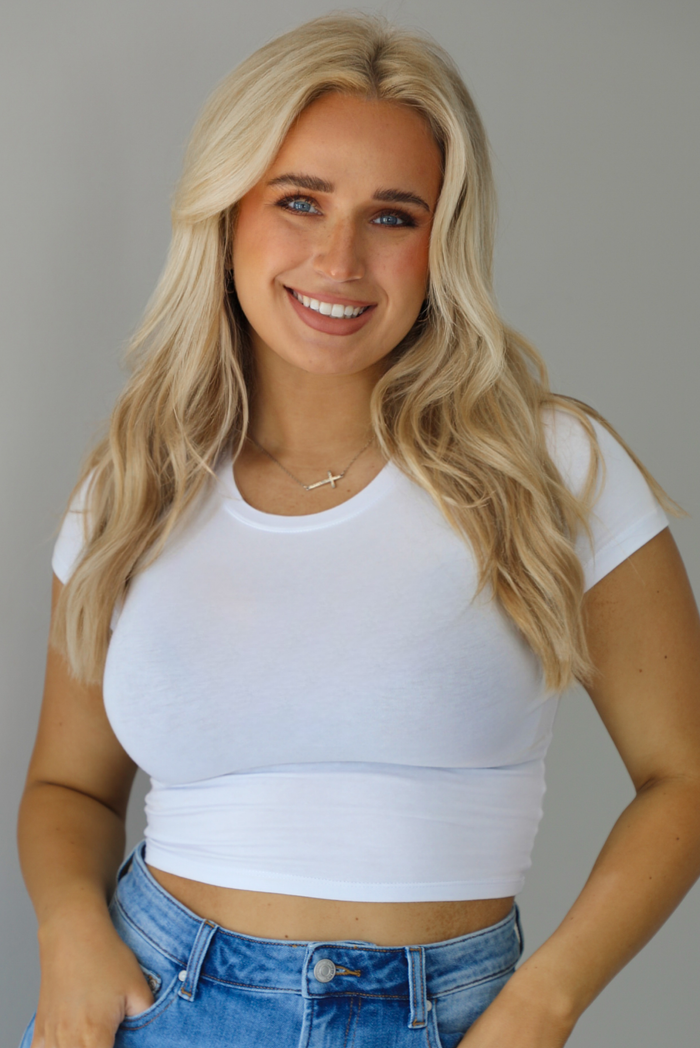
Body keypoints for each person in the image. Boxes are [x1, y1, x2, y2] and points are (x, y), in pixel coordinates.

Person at [16, 12, 700, 1048]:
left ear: (441, 240)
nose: (338, 259)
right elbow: (66, 784)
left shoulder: (547, 467)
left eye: (393, 216)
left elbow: (684, 776)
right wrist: (69, 926)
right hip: (161, 1005)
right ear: (227, 213)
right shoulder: (135, 487)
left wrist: (540, 1006)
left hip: (457, 1018)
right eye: (299, 202)